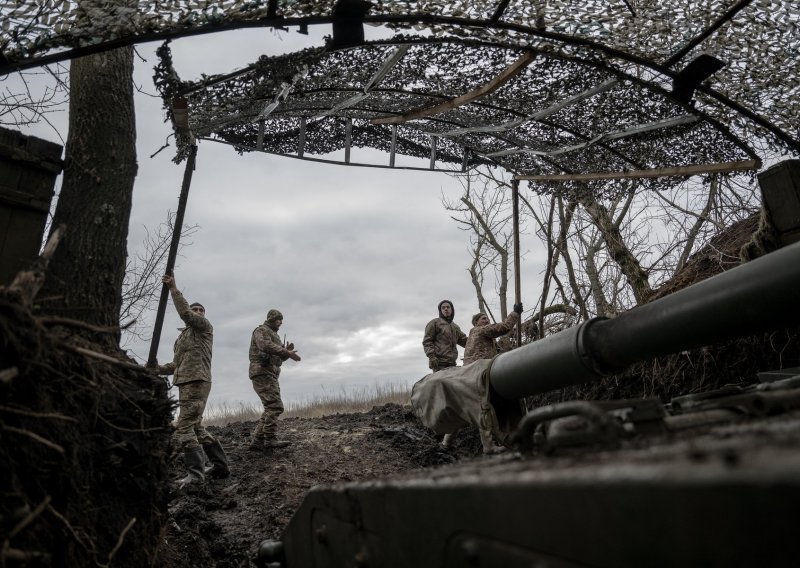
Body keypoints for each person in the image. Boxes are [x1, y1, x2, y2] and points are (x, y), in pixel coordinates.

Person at [151, 274, 229, 487]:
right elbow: (175, 366)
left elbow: (185, 313)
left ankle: (195, 475)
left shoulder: (204, 328)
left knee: (184, 427)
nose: (198, 312)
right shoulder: (182, 339)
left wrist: (173, 289)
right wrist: (157, 369)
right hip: (185, 381)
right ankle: (220, 466)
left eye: (201, 310)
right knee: (195, 426)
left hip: (197, 380)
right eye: (195, 310)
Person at [441, 302, 523, 453]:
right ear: (476, 323)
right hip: (478, 374)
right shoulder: (481, 330)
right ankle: (489, 446)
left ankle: (447, 442)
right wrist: (515, 314)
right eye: (483, 318)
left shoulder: (475, 336)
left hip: (467, 375)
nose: (486, 320)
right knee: (483, 407)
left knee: (465, 410)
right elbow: (503, 328)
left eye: (487, 318)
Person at [248, 309, 301, 451]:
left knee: (270, 407)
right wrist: (284, 351)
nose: (281, 322)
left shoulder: (275, 335)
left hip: (270, 373)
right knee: (276, 406)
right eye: (279, 319)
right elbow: (264, 345)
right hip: (261, 372)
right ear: (272, 318)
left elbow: (277, 358)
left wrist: (286, 353)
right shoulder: (261, 330)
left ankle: (258, 440)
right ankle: (270, 439)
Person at [422, 300, 467, 372]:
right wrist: (431, 356)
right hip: (439, 363)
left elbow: (465, 341)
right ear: (440, 311)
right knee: (439, 383)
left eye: (448, 307)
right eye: (443, 308)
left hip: (452, 363)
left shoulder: (455, 327)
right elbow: (427, 341)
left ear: (452, 310)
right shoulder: (434, 323)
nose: (446, 309)